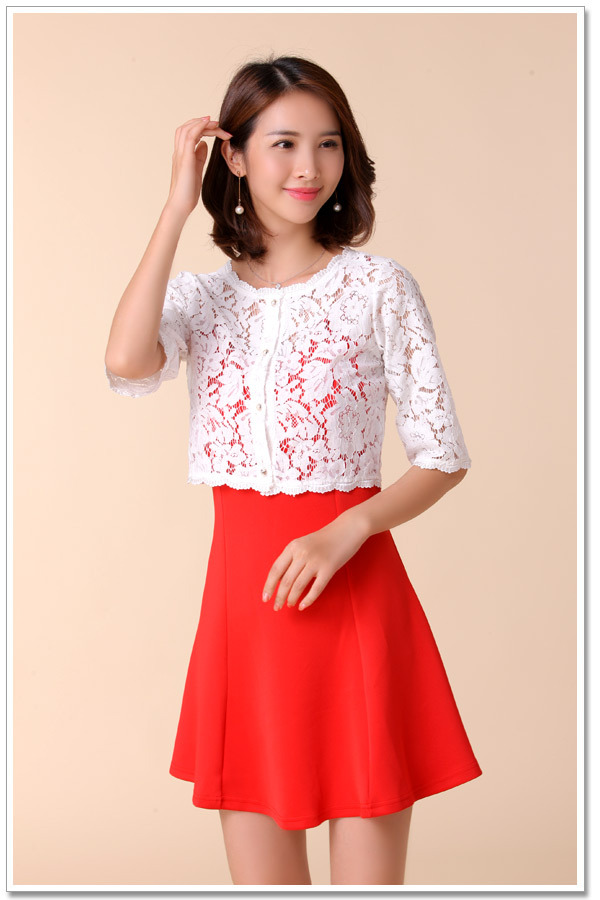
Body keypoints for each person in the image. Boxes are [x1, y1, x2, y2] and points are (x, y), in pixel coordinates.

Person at [104, 54, 482, 887]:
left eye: (328, 143)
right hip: (245, 617)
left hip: (356, 601)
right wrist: (175, 206)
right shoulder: (202, 300)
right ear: (234, 157)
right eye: (282, 144)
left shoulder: (379, 287)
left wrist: (349, 528)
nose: (309, 166)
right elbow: (127, 361)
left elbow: (442, 456)